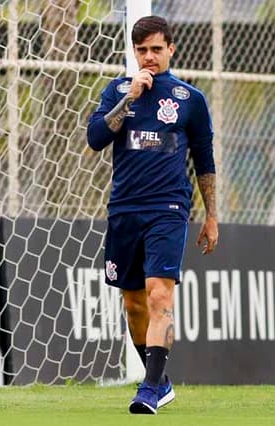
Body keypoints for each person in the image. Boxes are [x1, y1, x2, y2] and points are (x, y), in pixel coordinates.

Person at [86, 15, 218, 414]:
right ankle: (160, 381)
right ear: (133, 50)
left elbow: (205, 159)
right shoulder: (117, 91)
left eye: (156, 49)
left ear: (171, 49)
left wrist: (211, 215)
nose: (149, 57)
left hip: (169, 208)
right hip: (125, 209)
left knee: (160, 294)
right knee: (134, 304)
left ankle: (147, 389)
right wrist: (129, 101)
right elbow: (95, 139)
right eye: (141, 50)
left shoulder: (189, 99)